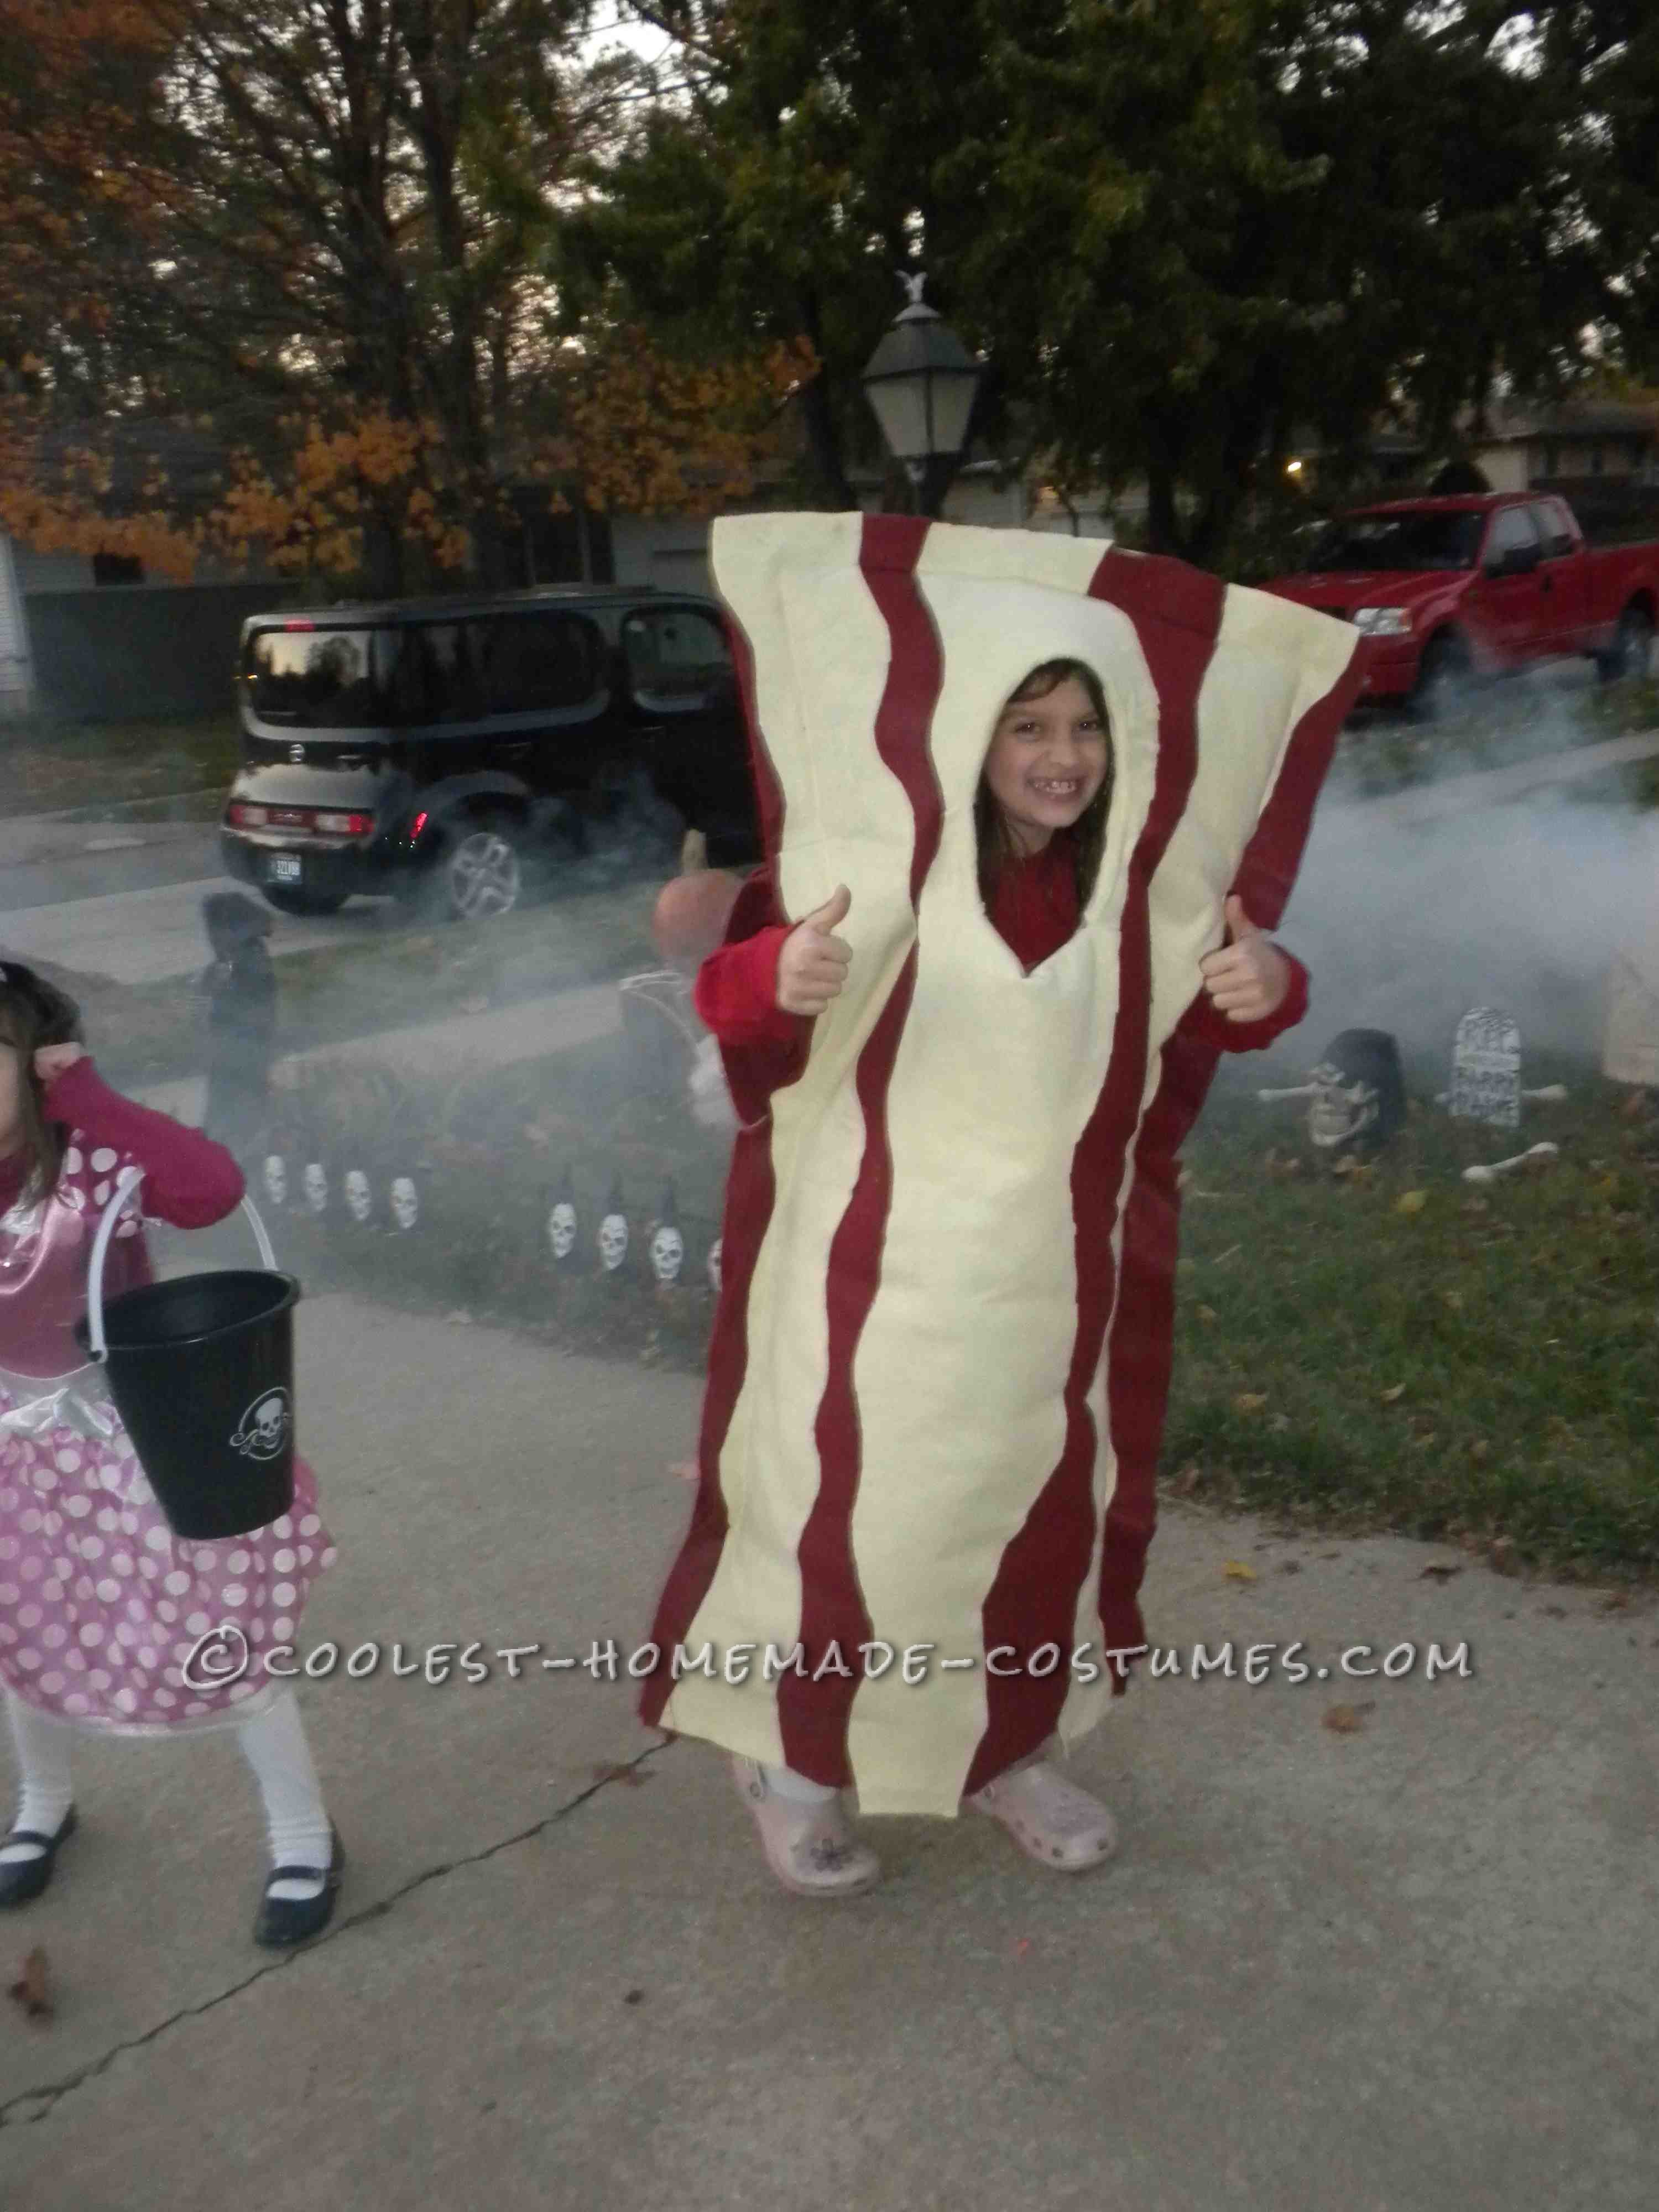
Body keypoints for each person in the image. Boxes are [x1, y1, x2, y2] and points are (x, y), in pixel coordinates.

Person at [637, 509, 1364, 1901]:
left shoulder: (1146, 891)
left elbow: (1215, 1009)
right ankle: (793, 1764)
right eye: (1027, 722)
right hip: (868, 1285)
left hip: (1048, 1283)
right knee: (849, 1535)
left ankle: (1003, 1744)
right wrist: (763, 975)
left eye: (1085, 727)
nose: (1060, 756)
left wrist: (1272, 991)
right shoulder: (873, 863)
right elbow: (743, 1020)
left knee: (1030, 1530)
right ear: (972, 732)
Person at [0, 959, 343, 1945]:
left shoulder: (92, 1158)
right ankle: (42, 1801)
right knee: (23, 1632)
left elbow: (210, 1190)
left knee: (219, 1639)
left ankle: (302, 1833)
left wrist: (92, 1100)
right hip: (8, 1458)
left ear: (36, 1066)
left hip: (127, 1447)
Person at [197, 891, 278, 1161]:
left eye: (215, 931)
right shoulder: (235, 957)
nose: (211, 938)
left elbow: (254, 1008)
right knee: (224, 1101)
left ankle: (233, 1152)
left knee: (238, 1106)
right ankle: (217, 1145)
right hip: (229, 1049)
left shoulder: (251, 961)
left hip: (243, 1050)